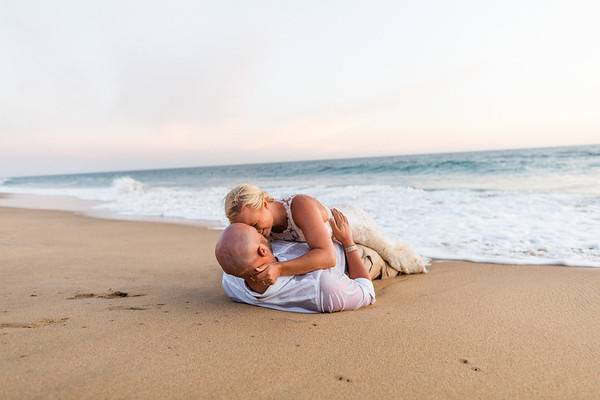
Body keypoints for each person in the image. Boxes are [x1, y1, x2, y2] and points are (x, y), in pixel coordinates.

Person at [223, 183, 427, 287]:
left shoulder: (299, 207)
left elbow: (327, 257)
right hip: (331, 241)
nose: (256, 232)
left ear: (265, 203)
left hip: (351, 226)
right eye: (249, 229)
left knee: (393, 256)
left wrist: (279, 268)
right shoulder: (262, 229)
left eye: (256, 224)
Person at [215, 209, 397, 313]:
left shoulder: (232, 281)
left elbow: (234, 257)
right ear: (262, 250)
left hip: (321, 242)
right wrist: (348, 242)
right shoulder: (323, 287)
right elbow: (366, 292)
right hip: (355, 258)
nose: (262, 233)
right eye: (257, 233)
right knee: (393, 256)